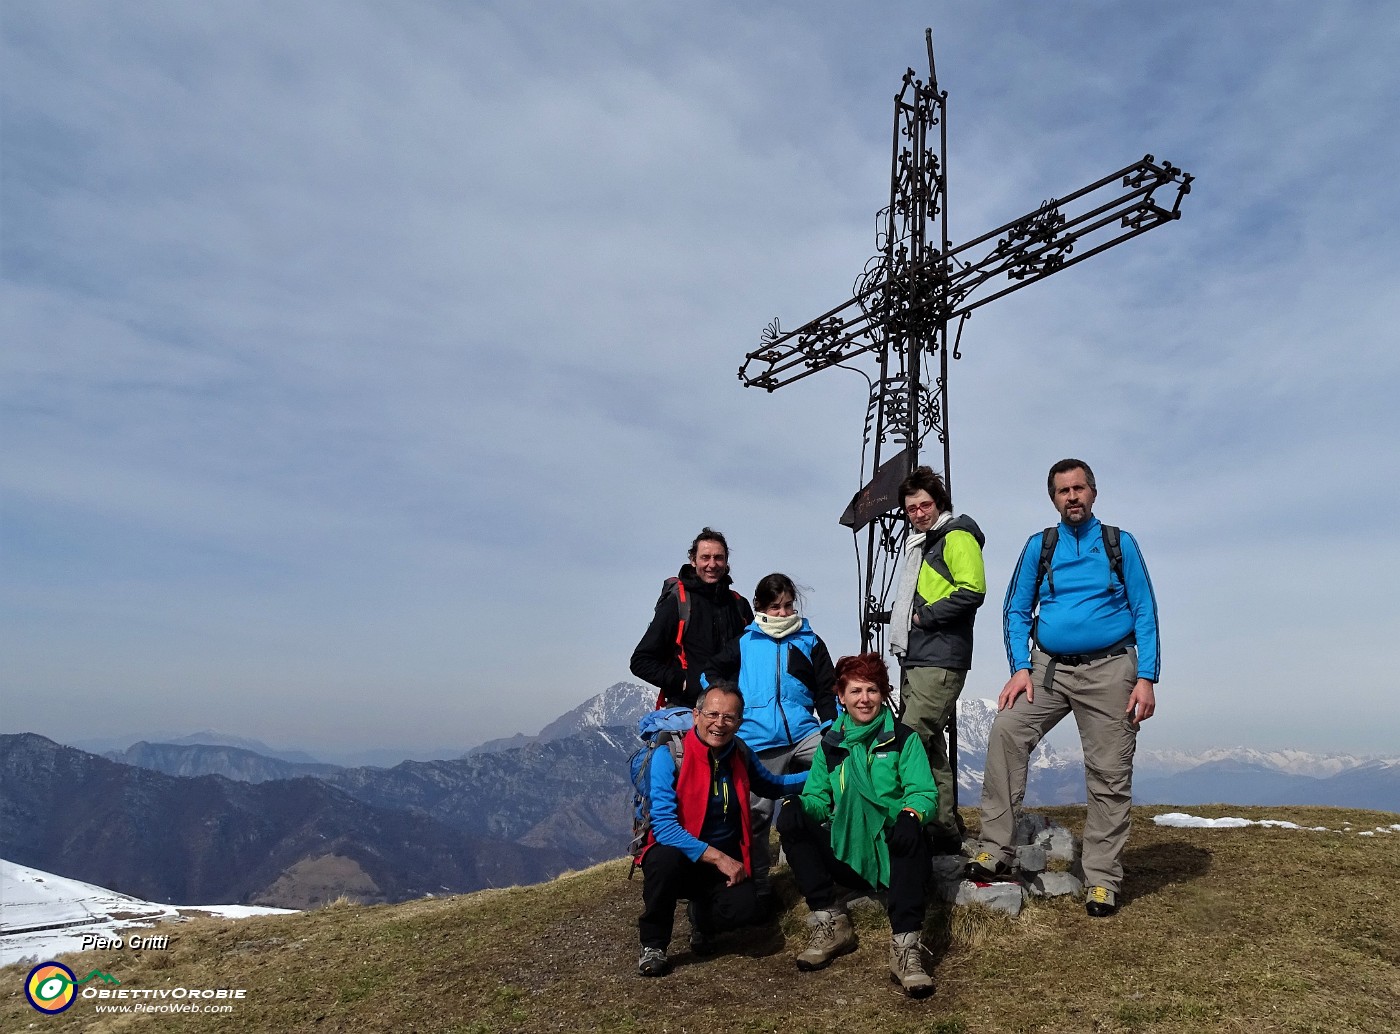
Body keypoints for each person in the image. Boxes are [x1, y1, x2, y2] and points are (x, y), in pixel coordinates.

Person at [970, 458, 1159, 918]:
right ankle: (996, 849)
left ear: (1093, 492)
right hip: (1047, 669)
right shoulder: (1041, 545)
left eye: (1079, 488)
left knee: (1110, 772)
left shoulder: (1119, 543)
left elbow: (1145, 609)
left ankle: (1101, 880)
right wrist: (1020, 667)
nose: (1072, 497)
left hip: (1112, 669)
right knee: (1007, 731)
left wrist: (1147, 677)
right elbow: (1015, 609)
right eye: (1062, 491)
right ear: (1053, 499)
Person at [775, 653, 938, 997]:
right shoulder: (831, 747)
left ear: (884, 694)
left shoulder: (903, 739)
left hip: (897, 851)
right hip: (847, 850)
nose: (864, 699)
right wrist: (798, 803)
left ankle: (906, 947)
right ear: (841, 697)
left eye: (873, 690)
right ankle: (831, 921)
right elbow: (818, 799)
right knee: (793, 820)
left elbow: (924, 792)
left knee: (908, 831)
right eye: (856, 691)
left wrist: (912, 814)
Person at [635, 680, 806, 977]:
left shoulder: (739, 753)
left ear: (739, 723)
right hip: (682, 856)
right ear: (696, 715)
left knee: (749, 909)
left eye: (729, 717)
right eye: (712, 715)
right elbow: (663, 826)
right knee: (663, 860)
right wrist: (718, 857)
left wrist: (822, 774)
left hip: (722, 861)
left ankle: (702, 919)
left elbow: (772, 785)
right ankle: (654, 944)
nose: (719, 724)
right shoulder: (669, 754)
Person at [704, 573, 837, 901]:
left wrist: (832, 727)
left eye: (788, 605)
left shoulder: (810, 641)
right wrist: (730, 702)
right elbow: (710, 673)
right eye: (775, 606)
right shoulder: (745, 643)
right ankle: (759, 883)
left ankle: (836, 864)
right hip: (757, 741)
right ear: (759, 606)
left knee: (837, 780)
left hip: (805, 734)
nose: (782, 613)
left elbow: (827, 688)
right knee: (757, 815)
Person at [888, 465, 986, 853]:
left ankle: (912, 829)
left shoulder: (956, 536)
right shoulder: (922, 544)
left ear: (939, 503)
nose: (917, 513)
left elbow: (972, 589)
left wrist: (922, 616)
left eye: (924, 505)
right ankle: (943, 830)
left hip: (941, 656)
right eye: (911, 508)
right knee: (928, 748)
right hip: (918, 656)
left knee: (909, 739)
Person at [630, 528, 754, 707]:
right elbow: (640, 661)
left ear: (726, 561)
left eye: (718, 557)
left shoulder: (739, 605)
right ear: (693, 560)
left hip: (732, 711)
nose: (712, 564)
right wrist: (684, 683)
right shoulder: (678, 603)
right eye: (705, 557)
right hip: (689, 707)